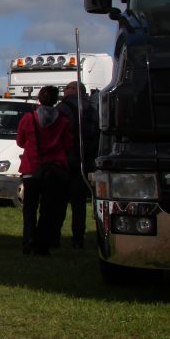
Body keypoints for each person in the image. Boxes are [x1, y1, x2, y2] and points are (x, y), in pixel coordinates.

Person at [16, 85, 72, 256]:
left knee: (30, 208)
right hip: (53, 170)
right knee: (48, 209)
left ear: (39, 98)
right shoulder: (63, 121)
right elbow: (68, 145)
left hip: (32, 168)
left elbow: (20, 141)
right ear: (56, 100)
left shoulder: (28, 118)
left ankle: (29, 240)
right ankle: (42, 244)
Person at [55, 81, 99, 248]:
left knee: (59, 202)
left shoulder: (63, 109)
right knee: (79, 204)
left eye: (66, 88)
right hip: (85, 161)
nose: (64, 91)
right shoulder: (92, 110)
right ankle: (78, 238)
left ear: (74, 90)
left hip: (66, 160)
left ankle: (55, 236)